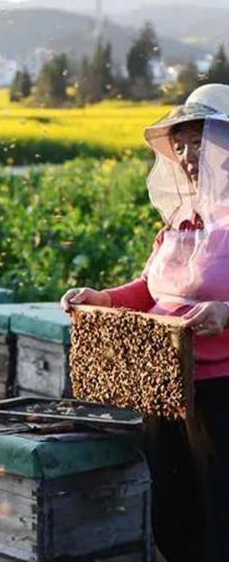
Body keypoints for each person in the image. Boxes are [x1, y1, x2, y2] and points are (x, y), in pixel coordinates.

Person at [60, 83, 229, 562]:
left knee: (220, 511)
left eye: (199, 142)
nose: (188, 156)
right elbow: (151, 289)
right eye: (181, 145)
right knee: (174, 510)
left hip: (220, 392)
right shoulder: (181, 222)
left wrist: (227, 312)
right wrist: (104, 299)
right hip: (163, 386)